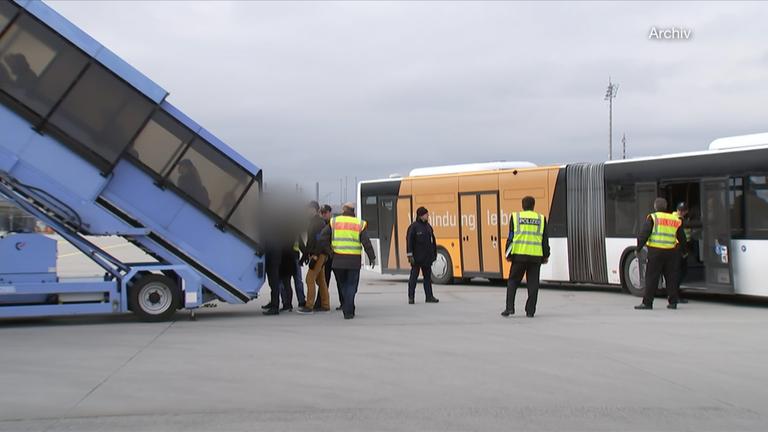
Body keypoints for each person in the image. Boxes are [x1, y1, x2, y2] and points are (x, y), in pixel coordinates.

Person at [319, 202, 375, 320]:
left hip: (338, 261)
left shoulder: (334, 222)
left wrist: (330, 252)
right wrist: (372, 257)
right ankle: (348, 310)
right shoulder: (359, 223)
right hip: (353, 261)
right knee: (351, 287)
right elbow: (366, 242)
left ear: (343, 210)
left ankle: (348, 307)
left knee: (344, 285)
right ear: (353, 211)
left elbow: (322, 238)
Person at [501, 196, 550, 318]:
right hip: (535, 257)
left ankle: (509, 308)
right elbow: (545, 240)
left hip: (519, 256)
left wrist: (508, 254)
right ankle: (530, 311)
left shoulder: (516, 217)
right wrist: (545, 255)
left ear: (522, 206)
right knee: (533, 284)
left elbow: (511, 237)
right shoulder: (541, 219)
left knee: (513, 281)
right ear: (533, 205)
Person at [635, 197, 687, 310]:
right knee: (671, 278)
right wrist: (684, 251)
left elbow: (644, 233)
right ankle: (673, 302)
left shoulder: (653, 217)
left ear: (655, 207)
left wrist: (638, 248)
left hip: (655, 252)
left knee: (651, 278)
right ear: (666, 207)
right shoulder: (675, 219)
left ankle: (647, 303)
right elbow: (682, 237)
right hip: (671, 252)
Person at [298, 201, 331, 314]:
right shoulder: (314, 222)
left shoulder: (318, 223)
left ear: (314, 210)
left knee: (309, 279)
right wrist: (305, 255)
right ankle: (325, 304)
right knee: (321, 280)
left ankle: (309, 306)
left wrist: (315, 257)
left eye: (309, 209)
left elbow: (320, 242)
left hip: (319, 254)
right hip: (317, 254)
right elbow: (311, 241)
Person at [406, 206, 439, 304]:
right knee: (413, 278)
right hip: (416, 258)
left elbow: (433, 241)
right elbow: (409, 242)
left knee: (427, 278)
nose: (427, 216)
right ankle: (411, 297)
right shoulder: (413, 227)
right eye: (426, 214)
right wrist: (410, 255)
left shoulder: (428, 227)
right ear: (421, 216)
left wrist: (434, 254)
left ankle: (429, 297)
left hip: (427, 258)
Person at [674, 202, 692, 304]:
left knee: (681, 272)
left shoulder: (678, 218)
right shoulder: (678, 219)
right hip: (679, 248)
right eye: (680, 210)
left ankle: (675, 294)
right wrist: (684, 251)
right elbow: (682, 237)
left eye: (683, 210)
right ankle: (675, 295)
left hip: (681, 247)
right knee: (680, 272)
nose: (681, 212)